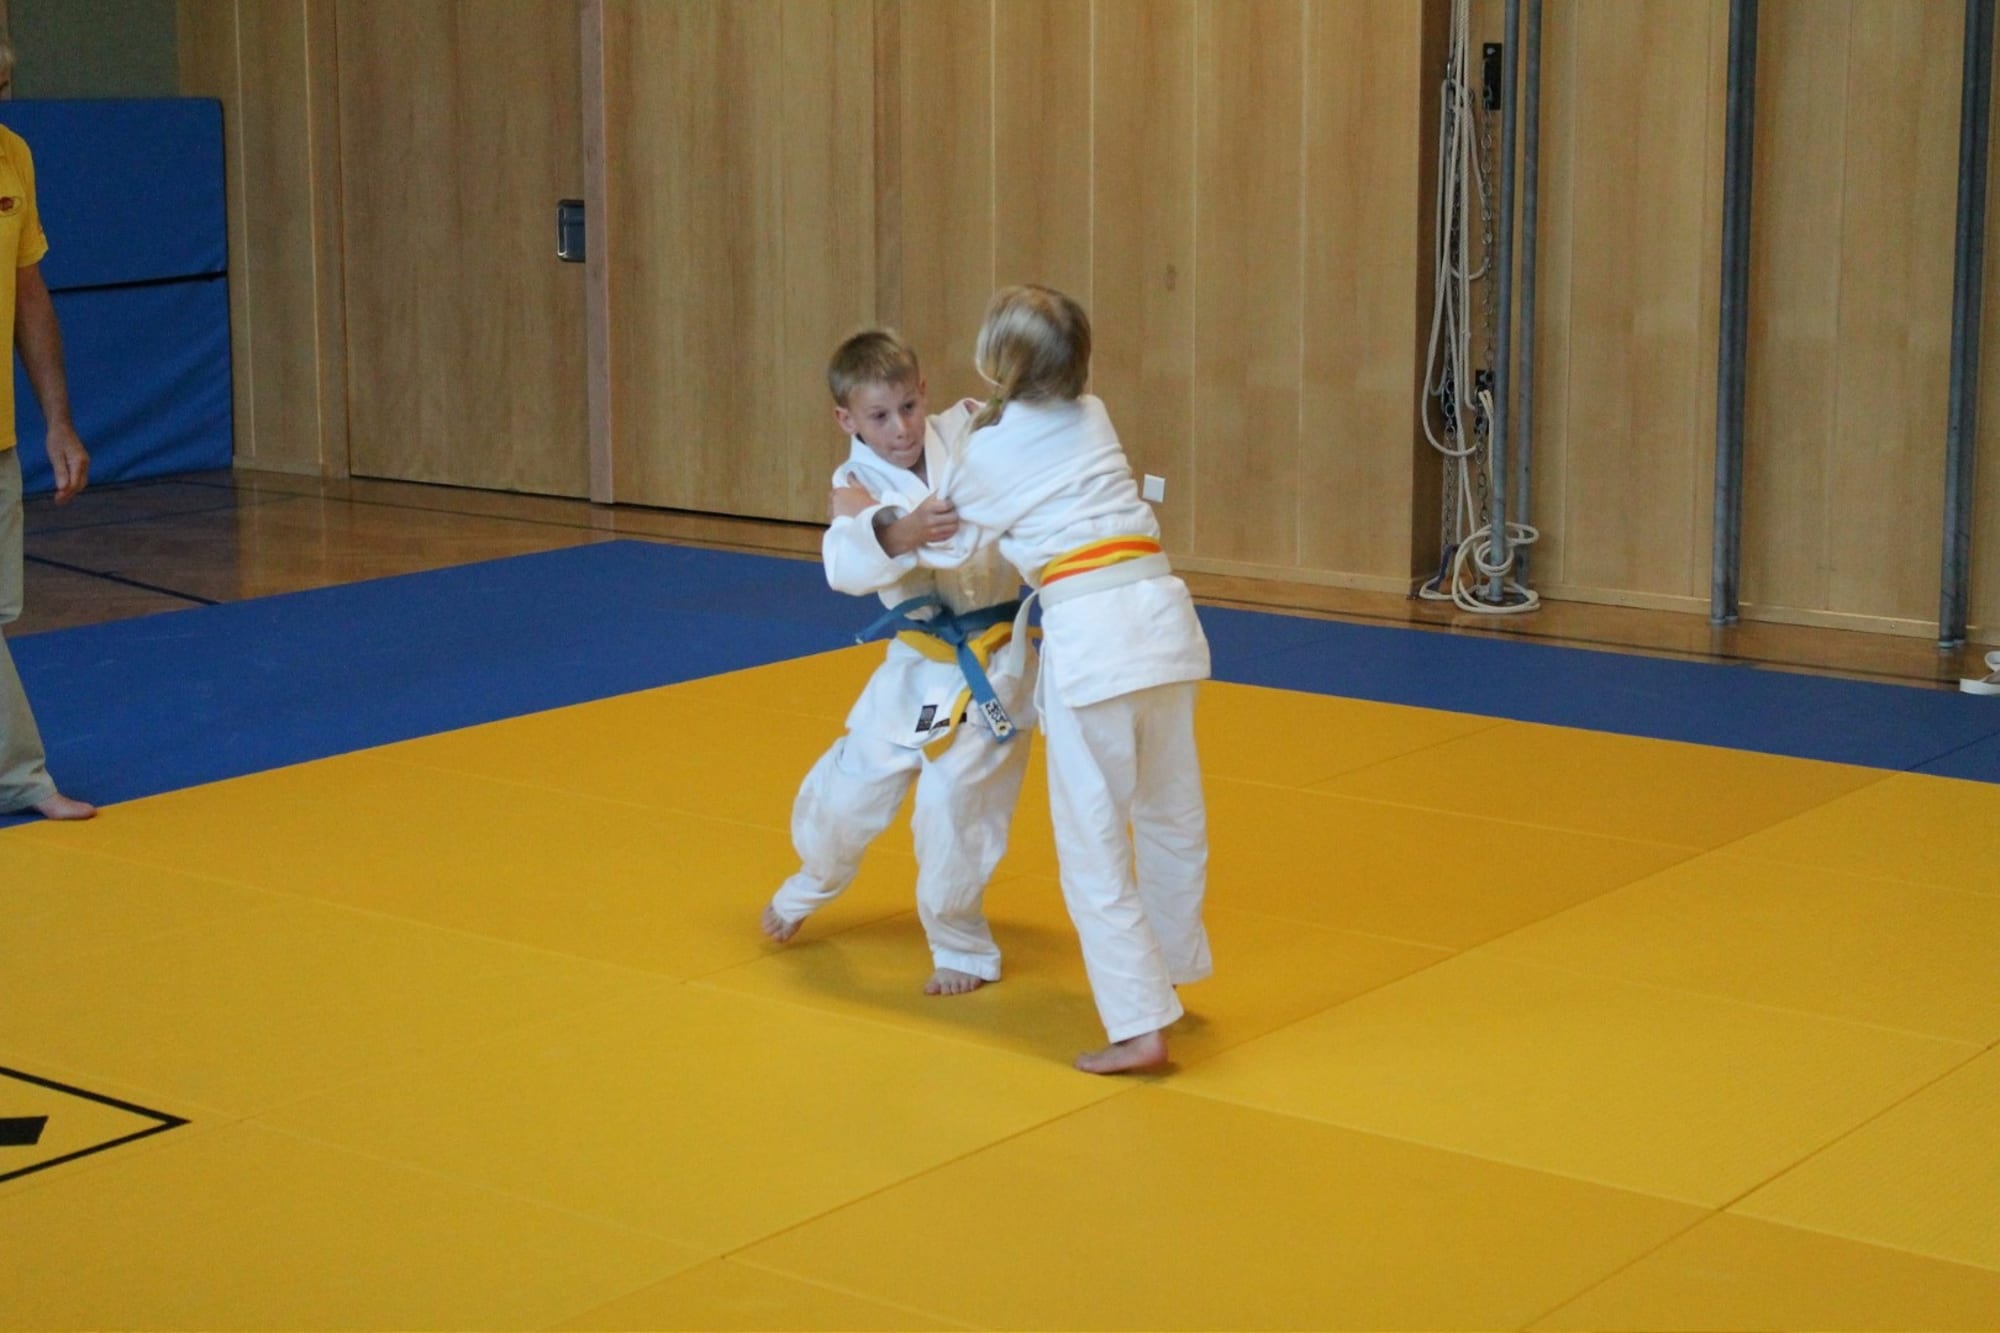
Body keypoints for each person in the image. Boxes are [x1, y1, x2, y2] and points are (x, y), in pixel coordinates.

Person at [849, 285, 1211, 1074]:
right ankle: (1173, 970)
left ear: (996, 359)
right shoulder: (1095, 412)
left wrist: (873, 519)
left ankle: (1140, 1023)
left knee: (1092, 837)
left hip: (1095, 638)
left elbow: (950, 546)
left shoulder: (989, 449)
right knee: (1170, 811)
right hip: (1165, 621)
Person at [761, 330, 1035, 996]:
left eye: (909, 407)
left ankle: (961, 946)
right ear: (846, 419)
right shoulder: (853, 483)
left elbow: (1029, 453)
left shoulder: (968, 429)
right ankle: (811, 882)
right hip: (917, 662)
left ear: (924, 393)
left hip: (996, 659)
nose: (902, 428)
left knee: (952, 804)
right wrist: (901, 530)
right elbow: (845, 567)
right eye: (879, 416)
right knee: (848, 798)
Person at [0, 42, 96, 823]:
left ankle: (19, 779)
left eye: (1, 85)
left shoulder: (14, 156)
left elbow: (27, 292)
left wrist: (57, 420)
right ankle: (24, 774)